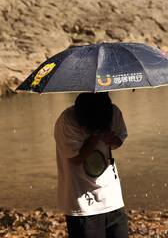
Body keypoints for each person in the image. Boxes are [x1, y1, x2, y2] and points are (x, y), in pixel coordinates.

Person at [54, 92, 129, 238]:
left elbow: (118, 141)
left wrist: (113, 140)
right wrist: (96, 136)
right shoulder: (67, 121)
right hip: (81, 202)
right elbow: (75, 158)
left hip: (112, 198)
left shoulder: (113, 112)